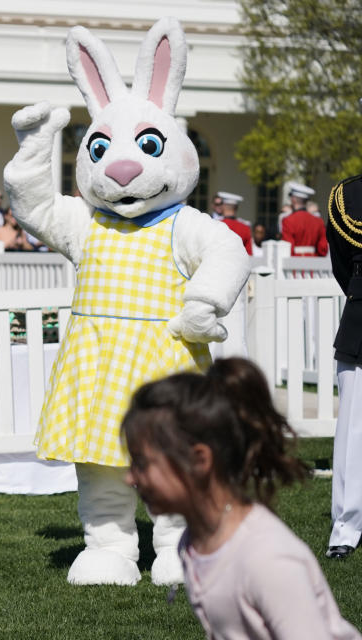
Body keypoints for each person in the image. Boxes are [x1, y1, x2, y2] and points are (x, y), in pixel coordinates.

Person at [122, 358, 360, 639]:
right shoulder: (195, 543)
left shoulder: (266, 559)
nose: (130, 477)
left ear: (200, 460)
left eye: (142, 463)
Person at [325, 174, 362, 560]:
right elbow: (343, 267)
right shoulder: (347, 196)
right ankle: (346, 528)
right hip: (361, 318)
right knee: (353, 431)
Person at [281, 183, 328, 256]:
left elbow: (288, 248)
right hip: (314, 263)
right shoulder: (318, 221)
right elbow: (323, 248)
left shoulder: (288, 220)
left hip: (294, 263)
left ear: (293, 199)